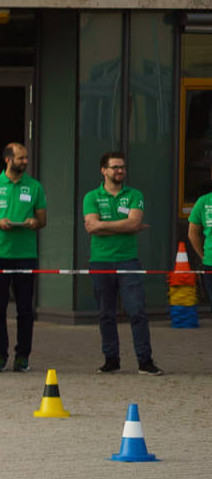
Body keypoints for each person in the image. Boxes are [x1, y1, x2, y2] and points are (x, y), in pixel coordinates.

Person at [83, 150, 158, 375]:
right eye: (115, 167)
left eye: (122, 167)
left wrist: (103, 225)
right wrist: (124, 226)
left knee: (137, 311)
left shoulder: (134, 194)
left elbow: (133, 223)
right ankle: (111, 360)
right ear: (103, 170)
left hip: (128, 261)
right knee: (106, 314)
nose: (120, 171)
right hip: (100, 261)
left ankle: (145, 361)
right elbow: (91, 227)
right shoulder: (91, 197)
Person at [0, 140, 45, 373]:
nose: (25, 161)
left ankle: (22, 356)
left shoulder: (34, 186)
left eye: (26, 157)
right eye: (21, 158)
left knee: (25, 308)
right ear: (8, 159)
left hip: (25, 255)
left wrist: (35, 222)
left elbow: (43, 219)